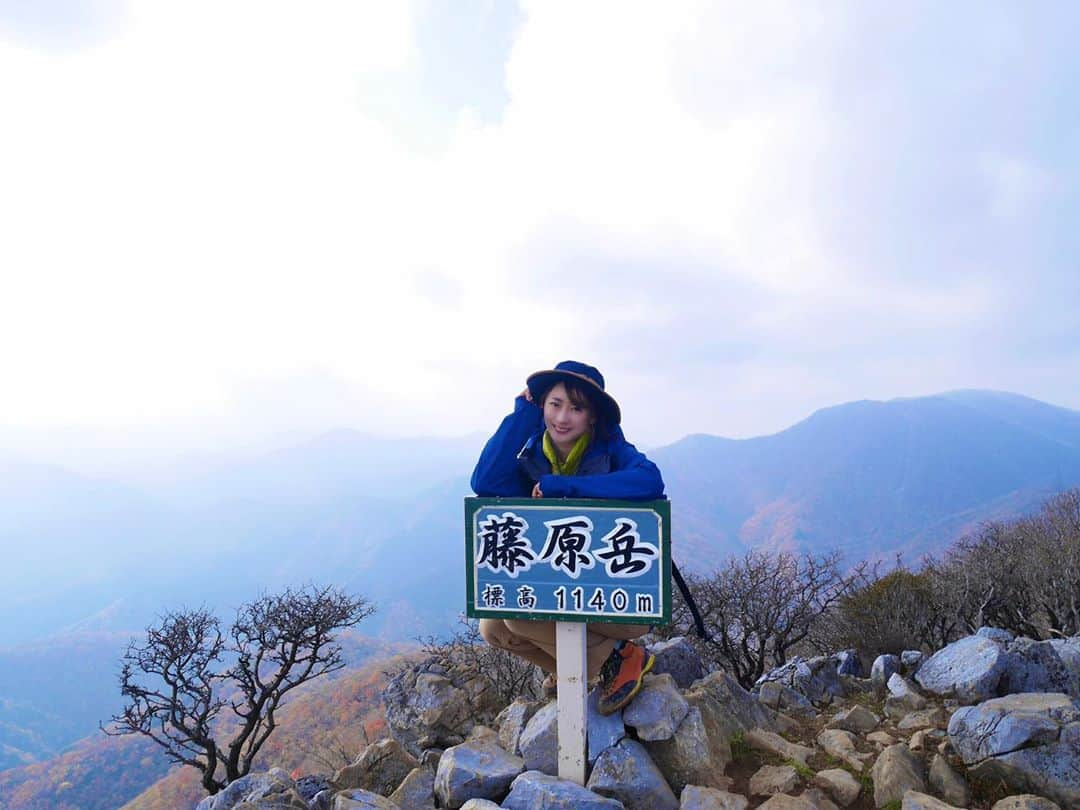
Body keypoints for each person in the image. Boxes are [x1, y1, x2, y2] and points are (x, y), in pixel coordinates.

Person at [470, 360, 665, 715]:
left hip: (620, 599)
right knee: (494, 628)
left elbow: (649, 481)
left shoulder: (612, 450)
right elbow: (484, 482)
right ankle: (579, 667)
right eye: (554, 404)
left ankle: (619, 657)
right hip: (567, 591)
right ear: (542, 406)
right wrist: (522, 412)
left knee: (520, 616)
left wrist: (564, 486)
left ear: (593, 416)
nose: (562, 417)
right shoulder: (531, 455)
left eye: (576, 408)